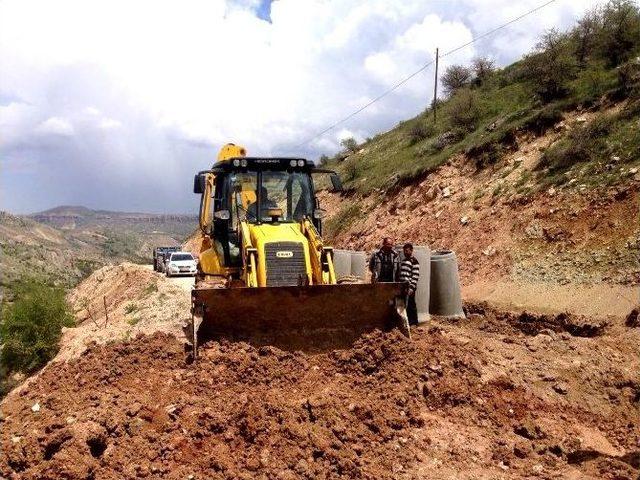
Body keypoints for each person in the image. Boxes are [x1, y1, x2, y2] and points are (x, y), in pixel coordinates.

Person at [399, 243, 420, 326]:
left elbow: (415, 275)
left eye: (407, 251)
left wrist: (411, 287)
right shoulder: (404, 261)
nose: (405, 252)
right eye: (404, 251)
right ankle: (406, 322)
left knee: (411, 304)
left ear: (411, 251)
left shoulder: (414, 261)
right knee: (404, 305)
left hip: (409, 286)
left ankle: (414, 322)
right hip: (403, 286)